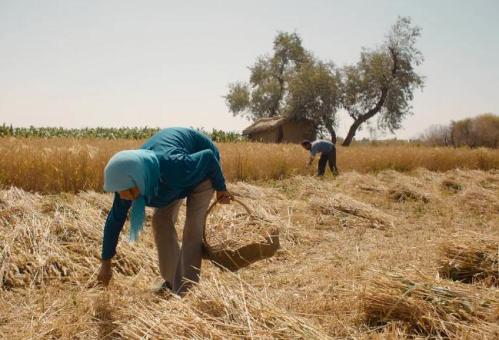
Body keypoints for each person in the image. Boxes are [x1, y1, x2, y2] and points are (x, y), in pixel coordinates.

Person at [97, 127, 232, 296]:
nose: (127, 197)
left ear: (138, 177)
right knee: (160, 221)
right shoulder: (127, 183)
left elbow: (208, 158)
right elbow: (114, 221)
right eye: (122, 192)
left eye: (130, 191)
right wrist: (106, 264)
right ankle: (172, 281)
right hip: (169, 181)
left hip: (202, 171)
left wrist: (221, 188)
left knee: (192, 228)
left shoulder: (174, 165)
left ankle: (186, 290)